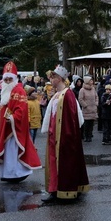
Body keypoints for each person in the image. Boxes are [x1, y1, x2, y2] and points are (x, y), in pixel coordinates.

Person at [41, 65, 89, 203]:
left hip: (63, 136)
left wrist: (67, 136)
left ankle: (65, 190)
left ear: (60, 78)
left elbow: (71, 119)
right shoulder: (57, 94)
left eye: (53, 77)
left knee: (64, 163)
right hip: (54, 135)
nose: (51, 79)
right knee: (53, 163)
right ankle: (54, 189)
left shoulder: (67, 94)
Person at [0, 61, 42, 182]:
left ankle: (16, 174)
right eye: (6, 79)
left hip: (13, 128)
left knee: (12, 152)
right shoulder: (6, 91)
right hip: (6, 127)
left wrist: (13, 118)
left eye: (10, 79)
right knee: (7, 152)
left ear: (14, 78)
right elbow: (6, 105)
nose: (8, 81)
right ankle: (7, 173)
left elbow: (21, 109)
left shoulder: (19, 91)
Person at [78, 77, 98, 142]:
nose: (92, 81)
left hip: (93, 109)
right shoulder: (82, 90)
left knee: (91, 124)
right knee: (86, 124)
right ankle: (86, 136)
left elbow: (96, 96)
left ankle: (90, 136)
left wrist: (96, 103)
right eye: (90, 80)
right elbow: (80, 99)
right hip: (86, 109)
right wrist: (85, 105)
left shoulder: (93, 89)